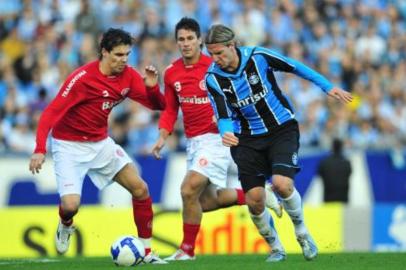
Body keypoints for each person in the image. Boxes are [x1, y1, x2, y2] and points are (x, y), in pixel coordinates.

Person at [204, 24, 353, 262]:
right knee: (254, 199)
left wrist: (327, 87)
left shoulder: (259, 56)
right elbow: (223, 115)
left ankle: (302, 233)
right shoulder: (212, 78)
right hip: (246, 139)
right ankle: (275, 247)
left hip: (280, 128)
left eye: (219, 52)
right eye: (211, 54)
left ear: (232, 46)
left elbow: (296, 67)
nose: (216, 59)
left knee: (282, 185)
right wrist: (226, 132)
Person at [28, 28, 167, 264]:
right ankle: (66, 224)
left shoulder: (129, 76)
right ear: (104, 52)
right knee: (71, 206)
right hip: (68, 146)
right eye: (118, 55)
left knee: (141, 188)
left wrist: (153, 87)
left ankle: (146, 252)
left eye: (127, 55)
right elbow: (50, 112)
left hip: (100, 143)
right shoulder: (81, 79)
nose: (124, 60)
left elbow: (159, 105)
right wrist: (40, 148)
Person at [151, 18, 282, 261]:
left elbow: (240, 96)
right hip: (194, 142)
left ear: (200, 40)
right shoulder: (171, 73)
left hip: (217, 139)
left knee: (187, 188)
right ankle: (259, 194)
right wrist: (162, 136)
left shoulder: (216, 66)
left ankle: (187, 251)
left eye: (191, 38)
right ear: (177, 42)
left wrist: (225, 118)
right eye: (181, 39)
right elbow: (170, 109)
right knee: (204, 202)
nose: (186, 43)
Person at [318, 138, 352, 203]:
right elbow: (349, 173)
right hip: (343, 198)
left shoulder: (325, 162)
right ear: (342, 148)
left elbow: (319, 174)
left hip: (328, 198)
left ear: (332, 148)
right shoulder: (346, 163)